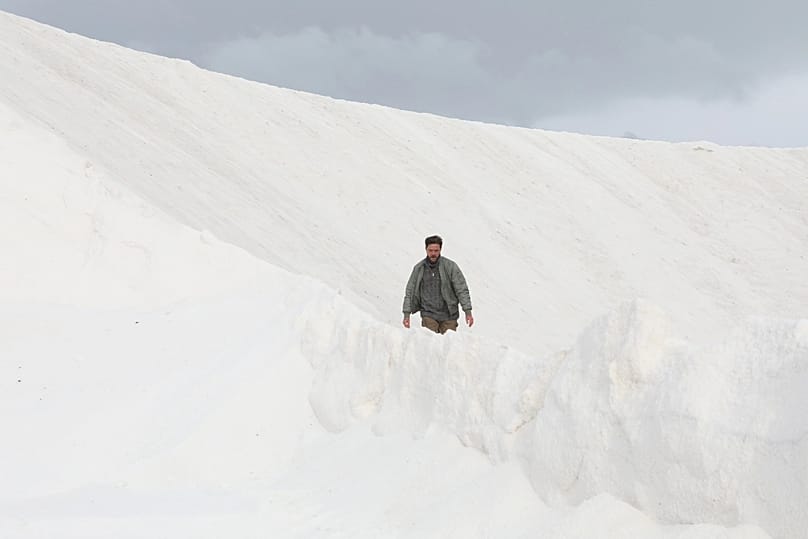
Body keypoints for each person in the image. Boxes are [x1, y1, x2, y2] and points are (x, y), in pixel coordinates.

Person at [402, 235, 474, 333]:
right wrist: (407, 314)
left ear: (440, 250)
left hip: (449, 315)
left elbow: (461, 289)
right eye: (430, 250)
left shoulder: (450, 266)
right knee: (430, 344)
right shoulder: (419, 269)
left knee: (448, 345)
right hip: (428, 314)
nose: (433, 253)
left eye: (436, 251)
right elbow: (410, 291)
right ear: (426, 249)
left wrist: (467, 311)